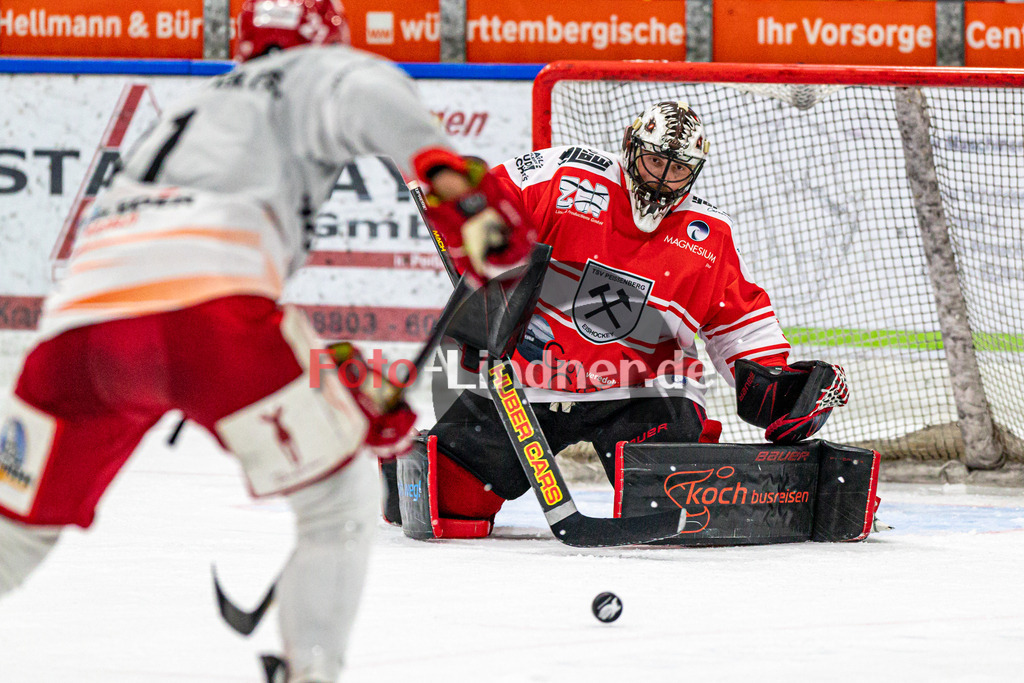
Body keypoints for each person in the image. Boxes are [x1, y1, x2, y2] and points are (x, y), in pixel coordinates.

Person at [0, 1, 530, 681]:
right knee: (335, 499)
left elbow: (171, 274)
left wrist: (343, 397)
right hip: (207, 321)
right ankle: (311, 671)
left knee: (15, 535)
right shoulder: (319, 71)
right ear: (326, 37)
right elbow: (374, 103)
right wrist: (463, 196)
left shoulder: (192, 108)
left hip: (76, 336)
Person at [392, 100, 849, 538]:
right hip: (527, 382)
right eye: (654, 162)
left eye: (678, 170)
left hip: (642, 393)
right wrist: (471, 210)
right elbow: (494, 195)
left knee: (686, 512)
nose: (662, 180)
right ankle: (408, 463)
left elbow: (739, 320)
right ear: (631, 147)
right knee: (449, 510)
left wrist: (775, 380)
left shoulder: (708, 234)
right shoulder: (565, 176)